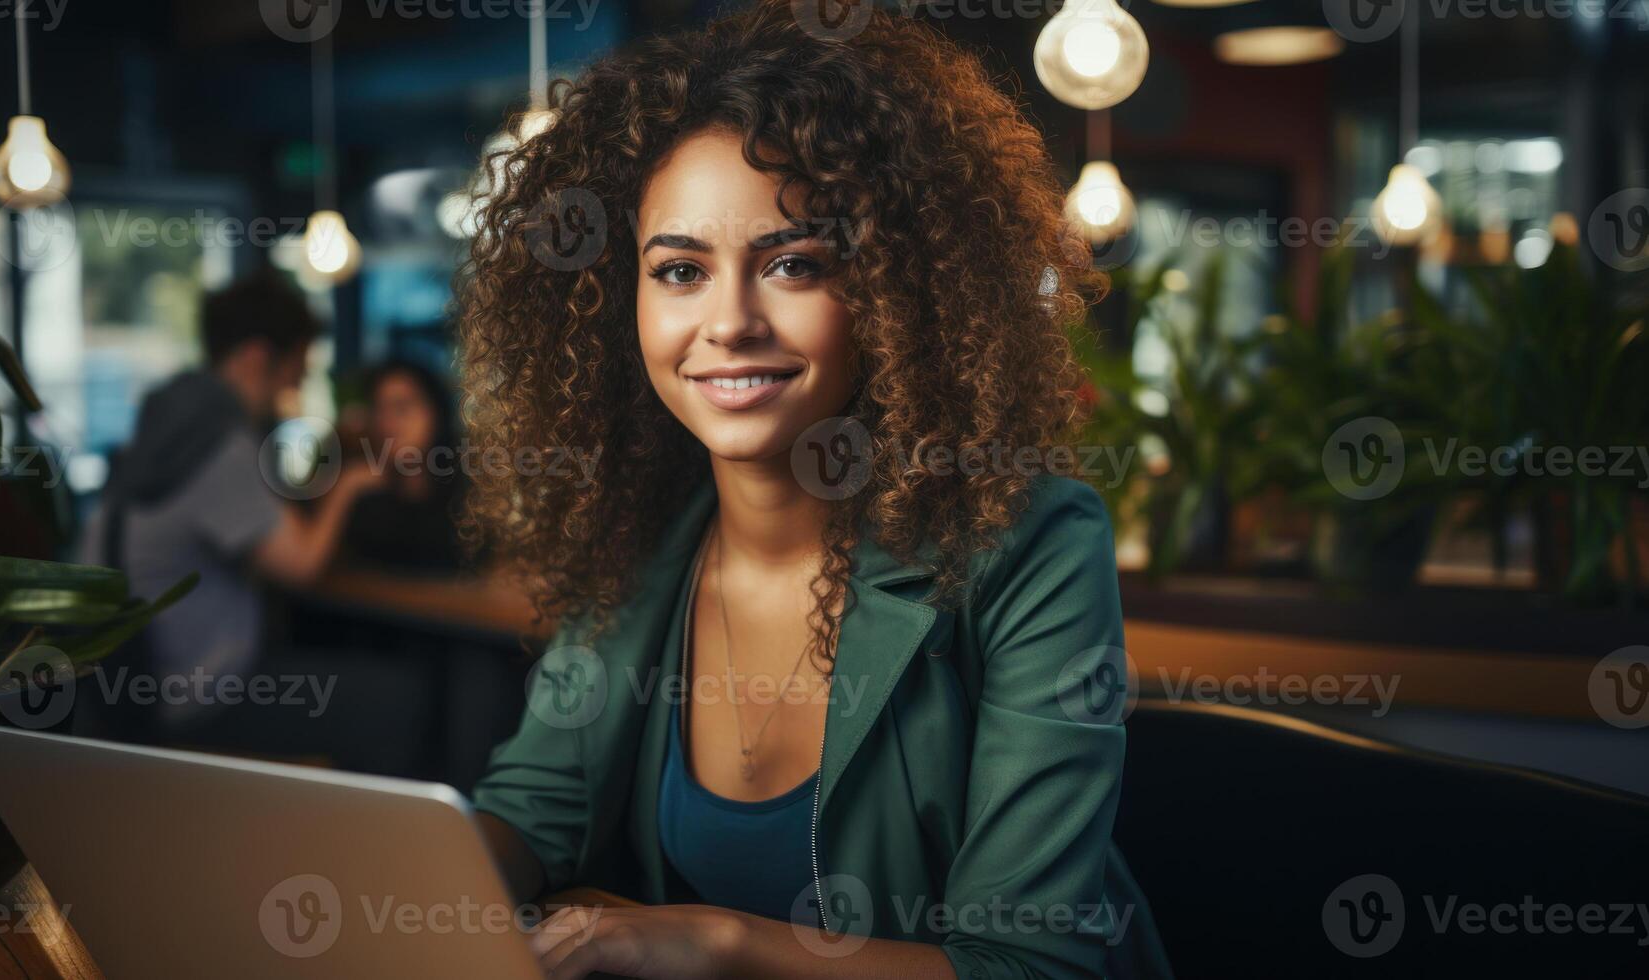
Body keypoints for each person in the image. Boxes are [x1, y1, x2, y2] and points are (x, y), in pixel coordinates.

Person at [459, 3, 1172, 978]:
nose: (729, 322)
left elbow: (1030, 961)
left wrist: (717, 939)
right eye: (678, 269)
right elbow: (532, 809)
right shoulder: (642, 539)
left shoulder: (1031, 541)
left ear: (892, 288)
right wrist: (400, 876)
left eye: (793, 263)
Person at [80, 268, 378, 735]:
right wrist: (351, 484)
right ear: (258, 357)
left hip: (126, 687)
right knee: (393, 702)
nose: (295, 390)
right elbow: (301, 565)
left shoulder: (172, 424)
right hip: (195, 695)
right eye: (295, 372)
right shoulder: (219, 446)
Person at [339, 358, 467, 573]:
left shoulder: (470, 498)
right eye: (379, 409)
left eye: (402, 407)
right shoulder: (361, 493)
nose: (388, 422)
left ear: (437, 413)